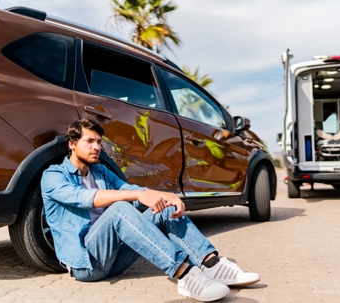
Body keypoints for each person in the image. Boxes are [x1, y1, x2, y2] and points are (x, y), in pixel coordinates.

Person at [41, 117, 260, 302]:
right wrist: (137, 195)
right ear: (72, 144)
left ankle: (212, 264)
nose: (97, 147)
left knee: (163, 210)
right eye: (89, 141)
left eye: (99, 141)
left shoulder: (101, 172)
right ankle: (185, 275)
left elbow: (128, 188)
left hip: (116, 258)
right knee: (119, 209)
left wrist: (164, 196)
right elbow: (85, 198)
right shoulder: (53, 176)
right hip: (88, 264)